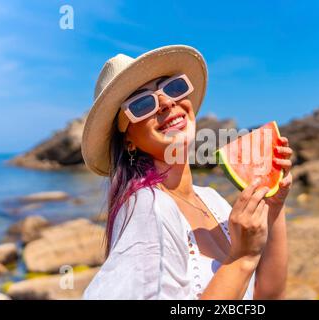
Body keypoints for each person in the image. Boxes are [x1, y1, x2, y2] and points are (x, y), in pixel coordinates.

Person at [81, 45, 292, 299]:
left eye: (173, 87)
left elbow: (266, 296)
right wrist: (242, 257)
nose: (167, 103)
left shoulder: (212, 200)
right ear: (129, 141)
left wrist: (274, 205)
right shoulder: (148, 206)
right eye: (141, 104)